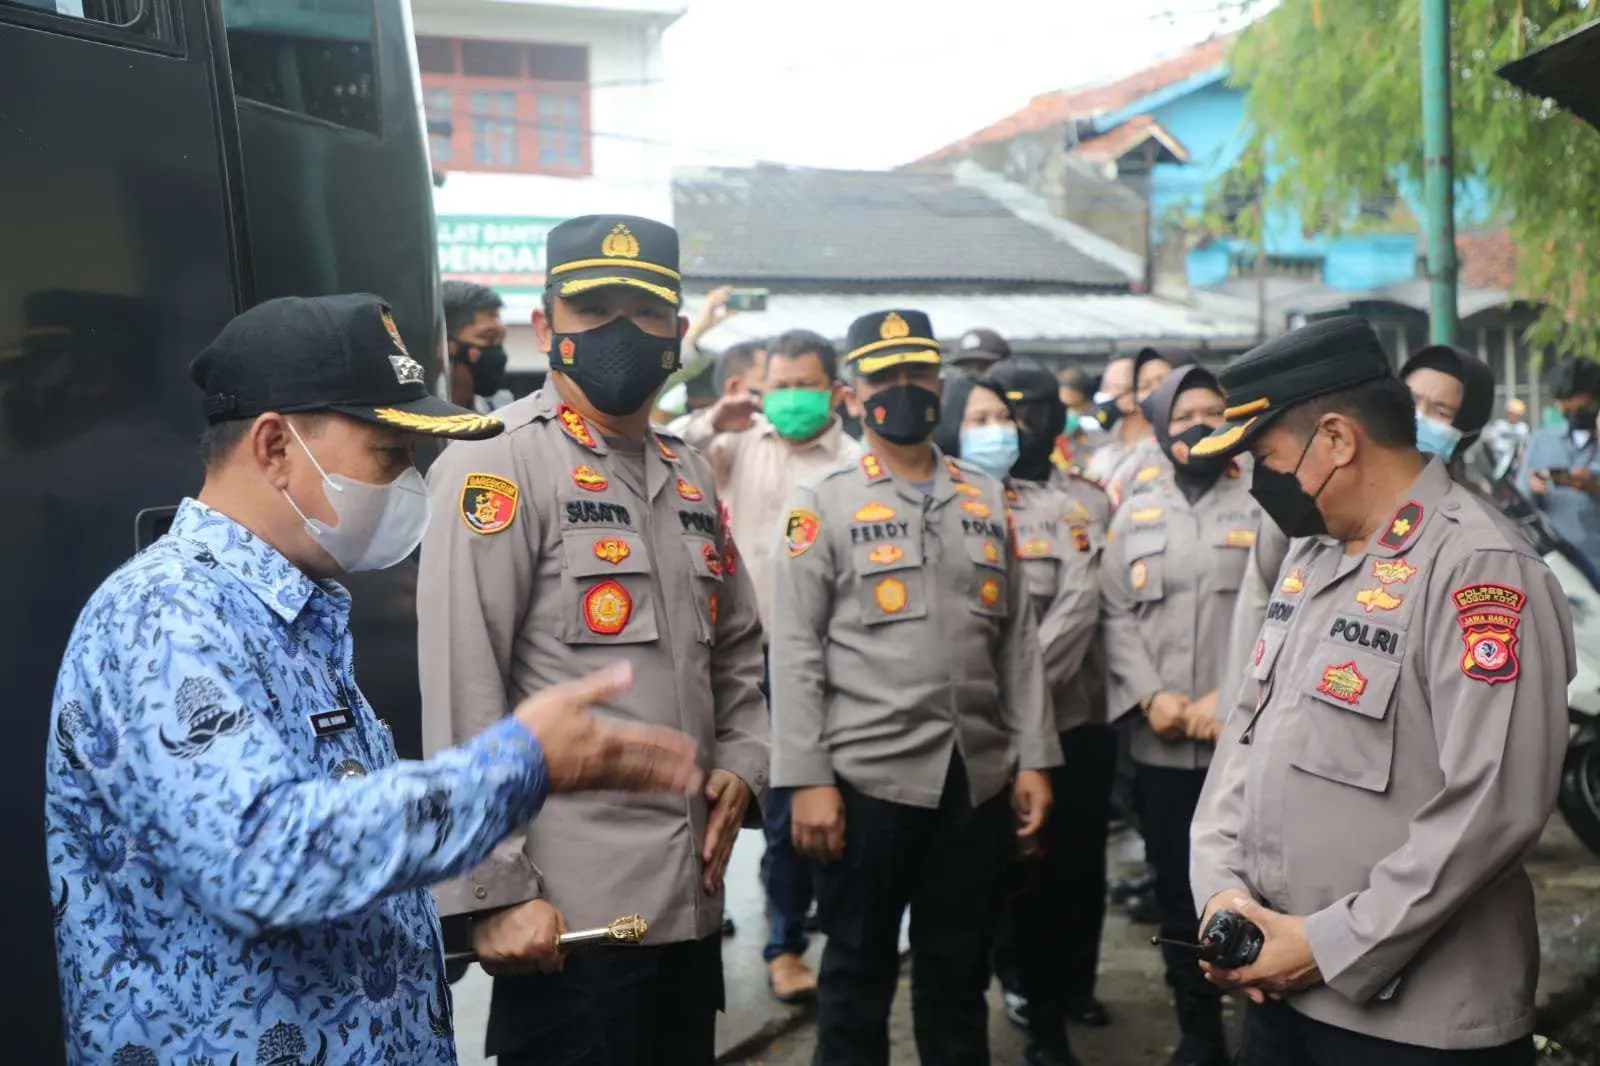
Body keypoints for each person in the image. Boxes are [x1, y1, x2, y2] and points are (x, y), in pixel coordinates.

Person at [44, 293, 707, 1066]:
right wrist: (515, 764)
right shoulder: (166, 615)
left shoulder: (285, 610)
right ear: (273, 445)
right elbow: (265, 858)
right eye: (388, 456)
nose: (408, 485)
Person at [416, 215, 770, 1066]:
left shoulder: (687, 470)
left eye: (642, 311)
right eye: (592, 307)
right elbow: (465, 686)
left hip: (689, 898)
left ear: (678, 335)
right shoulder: (493, 465)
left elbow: (739, 647)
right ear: (546, 329)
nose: (618, 330)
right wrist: (491, 893)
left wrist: (745, 767)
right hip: (567, 921)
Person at [1188, 315, 1574, 1065]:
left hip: (1412, 1023)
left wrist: (1329, 944)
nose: (1259, 483)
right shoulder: (1311, 553)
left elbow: (1495, 804)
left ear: (1336, 440)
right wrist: (1223, 892)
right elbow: (1248, 734)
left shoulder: (1478, 567)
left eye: (1267, 457)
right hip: (1278, 986)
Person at [770, 309, 1058, 1066]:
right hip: (867, 784)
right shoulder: (819, 501)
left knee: (958, 979)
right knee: (857, 977)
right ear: (850, 392)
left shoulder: (985, 496)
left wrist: (1032, 759)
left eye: (918, 374)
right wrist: (805, 780)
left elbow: (1018, 644)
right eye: (885, 377)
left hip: (976, 783)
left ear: (942, 381)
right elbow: (795, 647)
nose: (905, 389)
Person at [681, 327, 862, 1002]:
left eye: (802, 385)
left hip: (816, 660)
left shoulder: (852, 461)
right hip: (732, 657)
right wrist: (710, 417)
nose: (788, 398)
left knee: (793, 805)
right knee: (712, 798)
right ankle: (702, 916)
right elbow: (660, 449)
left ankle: (786, 943)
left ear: (835, 391)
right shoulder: (732, 449)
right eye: (777, 385)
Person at [1100, 363, 1260, 1066]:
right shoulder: (1134, 510)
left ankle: (1263, 1022)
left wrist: (1230, 700)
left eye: (1212, 411)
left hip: (1248, 739)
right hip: (1163, 742)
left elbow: (1285, 614)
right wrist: (1149, 694)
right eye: (1184, 414)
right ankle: (1199, 1031)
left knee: (1257, 888)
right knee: (1176, 890)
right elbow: (1112, 612)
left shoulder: (1266, 504)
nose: (1200, 425)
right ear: (1161, 430)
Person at [990, 358, 1116, 1066]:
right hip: (1002, 731)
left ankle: (1076, 984)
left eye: (1036, 408)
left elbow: (1094, 610)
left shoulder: (1090, 501)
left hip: (1079, 718)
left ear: (1058, 416)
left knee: (1081, 866)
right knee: (1022, 875)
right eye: (1006, 410)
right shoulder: (972, 497)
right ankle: (1032, 1003)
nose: (1022, 423)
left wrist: (1026, 678)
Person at [1519, 358, 1600, 576]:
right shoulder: (1542, 441)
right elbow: (1520, 498)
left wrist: (1595, 486)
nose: (1574, 416)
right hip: (1555, 565)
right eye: (1567, 410)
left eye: (1582, 409)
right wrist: (1532, 486)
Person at [1103, 346, 1199, 510]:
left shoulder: (1225, 445)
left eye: (1164, 380)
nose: (1157, 391)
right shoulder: (1137, 460)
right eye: (1144, 386)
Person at [1399, 344, 1495, 476]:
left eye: (1441, 412)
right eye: (1409, 400)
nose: (1418, 416)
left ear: (1468, 433)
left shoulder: (1461, 496)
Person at [443, 278, 512, 412]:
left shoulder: (498, 415)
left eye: (499, 340)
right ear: (447, 346)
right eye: (488, 337)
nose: (497, 351)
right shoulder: (414, 422)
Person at [1482, 397, 1530, 472]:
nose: (1514, 416)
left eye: (1516, 414)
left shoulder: (1523, 427)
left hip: (1516, 461)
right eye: (1512, 413)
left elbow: (1525, 444)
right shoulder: (1499, 425)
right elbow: (1489, 441)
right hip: (1498, 459)